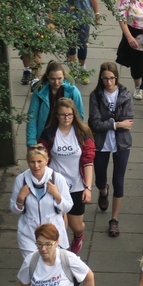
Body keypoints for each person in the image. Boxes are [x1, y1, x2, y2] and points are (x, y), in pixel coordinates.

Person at [38, 97, 95, 254]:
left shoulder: (81, 133)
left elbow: (88, 162)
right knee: (60, 226)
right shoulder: (49, 134)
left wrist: (88, 188)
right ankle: (59, 254)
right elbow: (41, 157)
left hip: (76, 185)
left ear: (74, 114)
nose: (66, 118)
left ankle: (78, 236)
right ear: (56, 115)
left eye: (69, 114)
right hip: (55, 186)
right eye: (63, 115)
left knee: (76, 226)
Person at [89, 62, 134, 238]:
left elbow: (128, 122)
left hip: (121, 144)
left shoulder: (125, 94)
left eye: (111, 78)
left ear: (116, 78)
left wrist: (110, 124)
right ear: (101, 78)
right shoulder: (95, 96)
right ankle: (103, 191)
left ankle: (114, 220)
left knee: (119, 180)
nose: (108, 82)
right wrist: (116, 124)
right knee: (99, 177)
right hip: (101, 143)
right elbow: (95, 123)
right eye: (105, 78)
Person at [10, 146, 73, 258]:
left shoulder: (57, 179)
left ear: (47, 160)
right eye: (32, 162)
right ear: (28, 162)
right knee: (33, 268)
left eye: (40, 161)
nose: (36, 166)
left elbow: (68, 207)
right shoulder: (21, 179)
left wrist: (57, 195)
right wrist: (20, 199)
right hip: (29, 233)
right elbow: (14, 210)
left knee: (52, 269)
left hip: (52, 233)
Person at [26, 61, 84, 146]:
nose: (56, 82)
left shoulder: (73, 91)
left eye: (59, 78)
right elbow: (32, 117)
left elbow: (79, 116)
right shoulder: (39, 92)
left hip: (66, 136)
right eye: (52, 79)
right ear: (47, 77)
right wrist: (31, 142)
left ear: (64, 76)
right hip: (45, 137)